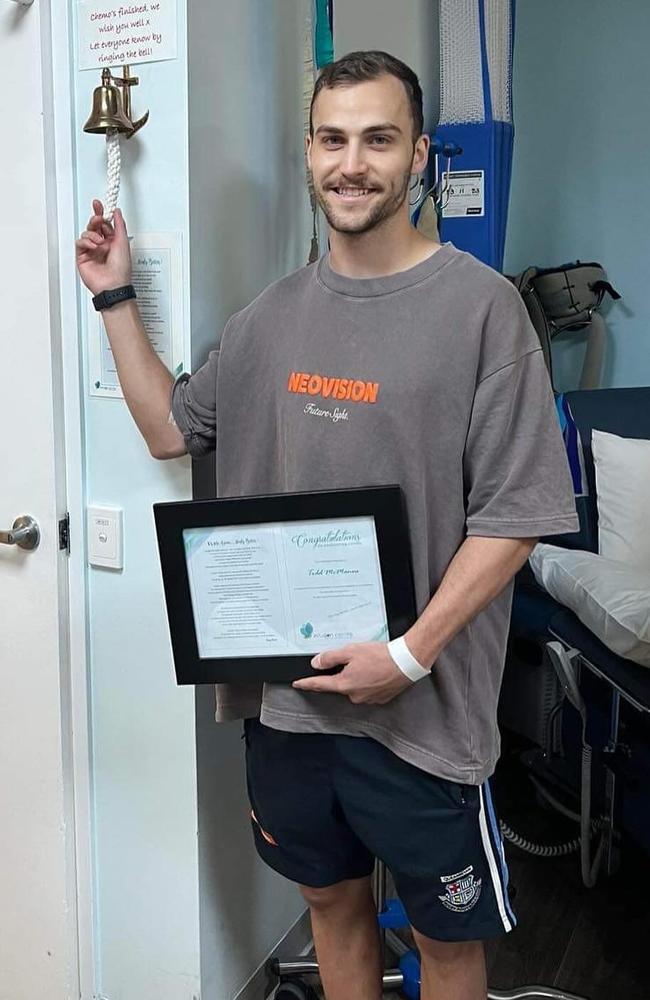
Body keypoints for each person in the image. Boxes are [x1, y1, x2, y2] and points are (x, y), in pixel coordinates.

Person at [76, 50, 579, 1000]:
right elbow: (168, 428)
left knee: (446, 948)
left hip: (422, 716)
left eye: (379, 139)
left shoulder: (484, 312)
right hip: (291, 708)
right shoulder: (270, 318)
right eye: (334, 139)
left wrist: (411, 654)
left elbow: (517, 517)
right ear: (309, 153)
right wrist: (112, 297)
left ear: (420, 154)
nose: (354, 163)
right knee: (334, 912)